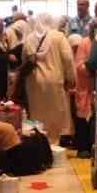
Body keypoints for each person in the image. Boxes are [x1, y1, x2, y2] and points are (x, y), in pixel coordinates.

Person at [22, 14, 76, 144]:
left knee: (36, 114)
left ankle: (40, 145)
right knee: (55, 115)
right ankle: (54, 144)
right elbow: (68, 59)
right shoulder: (58, 36)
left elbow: (24, 60)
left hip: (33, 82)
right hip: (55, 80)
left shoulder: (29, 38)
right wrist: (71, 79)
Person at [71, 23, 95, 158]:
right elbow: (79, 65)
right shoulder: (84, 43)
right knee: (83, 117)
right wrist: (92, 69)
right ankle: (83, 148)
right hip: (85, 86)